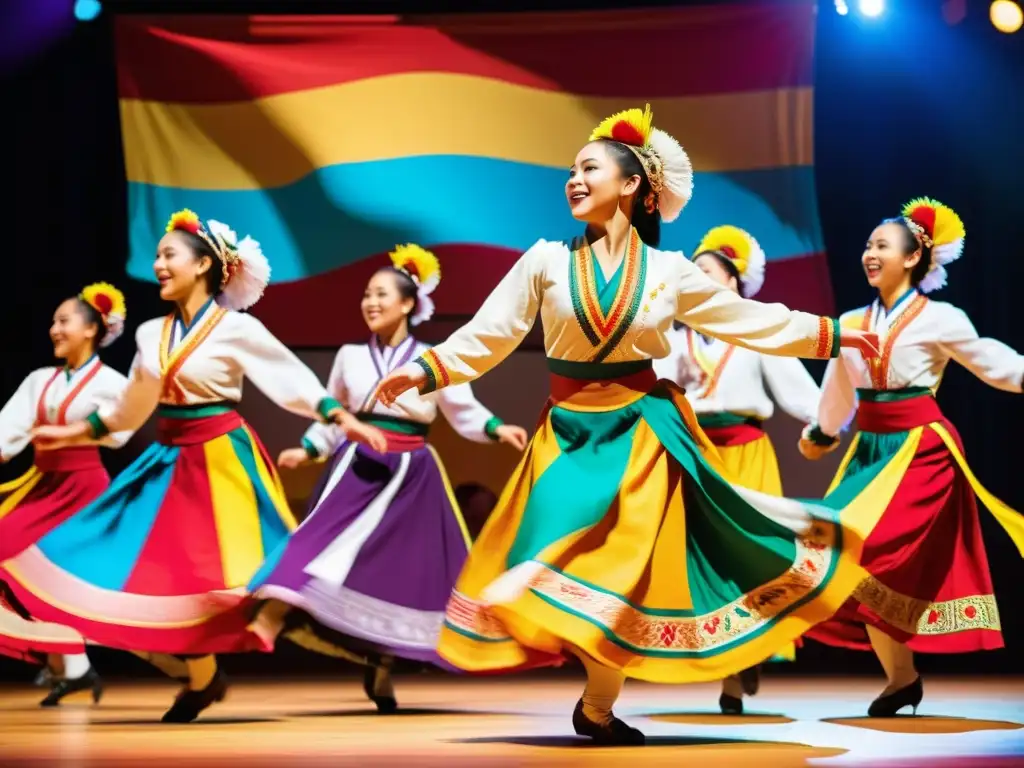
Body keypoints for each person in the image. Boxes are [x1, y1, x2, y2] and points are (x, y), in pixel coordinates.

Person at [373, 104, 883, 745]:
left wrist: (833, 334)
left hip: (646, 433)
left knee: (625, 564)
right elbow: (488, 334)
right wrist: (425, 372)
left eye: (588, 168)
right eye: (571, 171)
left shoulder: (670, 272)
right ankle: (579, 674)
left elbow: (746, 319)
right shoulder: (545, 261)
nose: (574, 180)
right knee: (553, 550)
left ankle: (598, 705)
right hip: (569, 433)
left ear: (633, 183)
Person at [0, 209, 386, 723]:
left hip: (222, 456)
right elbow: (129, 409)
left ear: (204, 264)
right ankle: (203, 679)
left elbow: (290, 379)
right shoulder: (149, 333)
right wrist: (71, 432)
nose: (158, 265)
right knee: (157, 577)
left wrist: (342, 419)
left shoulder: (237, 329)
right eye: (157, 256)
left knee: (249, 567)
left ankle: (317, 626)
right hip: (168, 459)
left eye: (168, 256)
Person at [248, 245, 528, 713]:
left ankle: (381, 659)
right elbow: (333, 413)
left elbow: (463, 410)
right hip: (357, 464)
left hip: (412, 472)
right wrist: (310, 447)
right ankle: (274, 614)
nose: (371, 302)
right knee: (319, 544)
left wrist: (498, 428)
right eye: (366, 295)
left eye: (381, 294)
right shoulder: (350, 356)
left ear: (407, 304)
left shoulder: (435, 357)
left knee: (396, 573)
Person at [798, 197, 1024, 716]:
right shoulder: (852, 320)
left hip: (921, 450)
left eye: (882, 245)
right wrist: (822, 432)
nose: (869, 253)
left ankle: (903, 674)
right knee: (843, 554)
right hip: (868, 451)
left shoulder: (941, 318)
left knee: (873, 551)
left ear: (912, 257)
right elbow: (839, 388)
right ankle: (902, 678)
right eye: (868, 245)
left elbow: (992, 361)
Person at [662, 225, 823, 714]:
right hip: (698, 456)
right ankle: (728, 671)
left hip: (747, 452)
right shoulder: (675, 339)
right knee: (706, 560)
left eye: (705, 271)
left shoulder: (755, 336)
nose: (696, 279)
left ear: (732, 281)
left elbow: (799, 392)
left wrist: (825, 422)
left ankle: (749, 653)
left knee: (751, 555)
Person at [0, 284, 132, 706]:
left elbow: (121, 428)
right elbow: (8, 430)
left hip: (84, 494)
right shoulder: (40, 380)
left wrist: (77, 430)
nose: (54, 329)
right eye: (53, 322)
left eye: (64, 321)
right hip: (43, 487)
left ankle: (72, 666)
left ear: (92, 329)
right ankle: (71, 666)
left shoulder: (111, 382)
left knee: (65, 582)